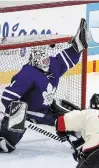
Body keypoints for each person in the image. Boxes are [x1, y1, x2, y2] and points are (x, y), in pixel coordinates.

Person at [0, 18, 88, 153]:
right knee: (7, 145)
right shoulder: (28, 72)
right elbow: (7, 97)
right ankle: (5, 139)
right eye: (43, 61)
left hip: (45, 109)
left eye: (47, 59)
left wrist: (78, 47)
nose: (46, 62)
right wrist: (18, 112)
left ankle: (81, 133)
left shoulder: (53, 65)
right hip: (31, 113)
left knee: (71, 115)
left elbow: (65, 58)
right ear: (35, 62)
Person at [56, 94, 99, 168]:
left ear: (91, 104)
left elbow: (61, 122)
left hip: (97, 153)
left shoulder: (88, 113)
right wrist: (82, 152)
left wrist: (60, 131)